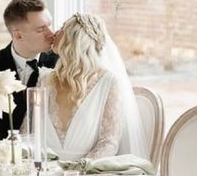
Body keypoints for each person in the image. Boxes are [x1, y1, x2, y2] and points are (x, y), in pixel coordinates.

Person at [27, 12, 147, 161]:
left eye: (62, 27)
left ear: (74, 38)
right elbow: (28, 131)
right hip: (44, 173)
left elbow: (108, 142)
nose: (55, 32)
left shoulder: (108, 83)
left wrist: (78, 169)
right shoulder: (45, 80)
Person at [0, 0, 58, 140]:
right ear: (18, 35)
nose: (51, 34)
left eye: (49, 25)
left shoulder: (60, 63)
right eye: (41, 29)